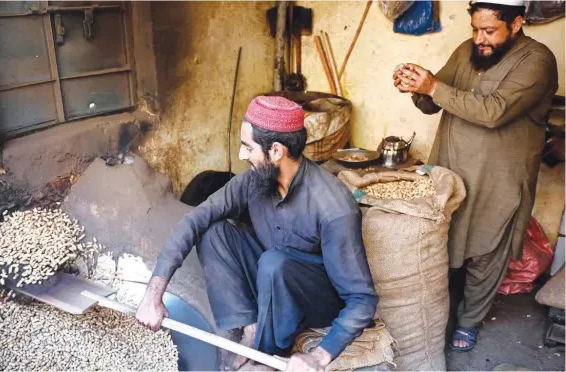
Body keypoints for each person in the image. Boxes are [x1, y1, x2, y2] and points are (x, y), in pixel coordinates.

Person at [136, 95, 378, 371]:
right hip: (271, 276)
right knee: (213, 231)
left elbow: (362, 299)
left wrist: (319, 356)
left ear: (276, 151)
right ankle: (251, 327)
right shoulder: (256, 180)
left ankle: (265, 355)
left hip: (316, 299)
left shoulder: (332, 206)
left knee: (275, 263)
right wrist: (153, 294)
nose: (241, 155)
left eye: (247, 147)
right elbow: (195, 219)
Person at [392, 0, 558, 352]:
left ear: (515, 24)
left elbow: (494, 111)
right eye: (475, 29)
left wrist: (433, 87)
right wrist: (415, 87)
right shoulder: (467, 51)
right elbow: (435, 99)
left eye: (489, 31)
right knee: (441, 243)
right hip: (451, 169)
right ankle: (438, 312)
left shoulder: (538, 60)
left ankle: (469, 321)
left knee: (487, 250)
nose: (479, 39)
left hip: (499, 180)